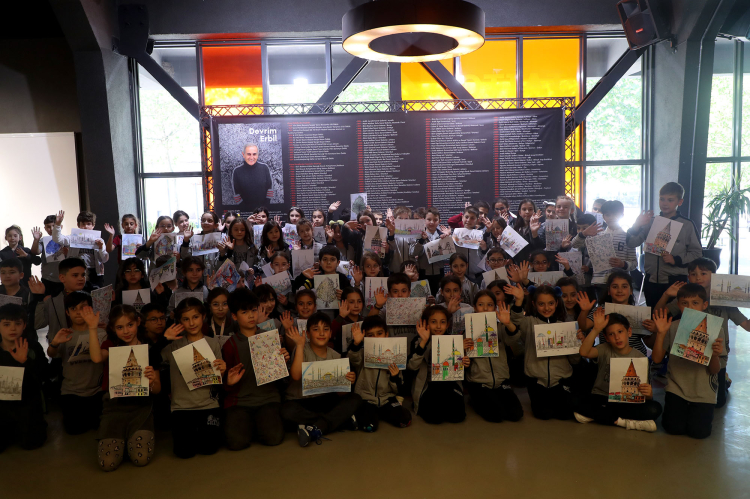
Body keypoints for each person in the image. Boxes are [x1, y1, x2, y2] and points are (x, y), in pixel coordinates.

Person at [654, 257, 750, 408]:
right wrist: (666, 294)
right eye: (693, 274)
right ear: (688, 276)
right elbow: (659, 314)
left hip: (716, 355)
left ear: (714, 276)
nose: (698, 277)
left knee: (718, 403)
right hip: (688, 355)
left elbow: (747, 326)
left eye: (703, 273)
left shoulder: (724, 300)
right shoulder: (687, 297)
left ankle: (724, 381)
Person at [86, 305, 161, 470]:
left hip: (141, 408)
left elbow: (157, 389)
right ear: (113, 329)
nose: (126, 331)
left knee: (141, 459)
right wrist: (92, 328)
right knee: (107, 463)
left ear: (138, 322)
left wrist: (152, 381)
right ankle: (121, 440)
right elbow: (97, 358)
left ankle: (131, 439)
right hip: (114, 408)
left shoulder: (149, 349)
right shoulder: (111, 346)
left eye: (130, 325)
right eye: (120, 327)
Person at [652, 284, 723, 439]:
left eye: (695, 303)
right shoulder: (672, 327)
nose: (690, 308)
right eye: (685, 303)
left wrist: (715, 355)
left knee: (699, 433)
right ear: (679, 305)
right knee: (673, 428)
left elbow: (715, 370)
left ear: (704, 305)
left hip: (703, 391)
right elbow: (656, 359)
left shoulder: (715, 329)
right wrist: (661, 334)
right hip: (677, 388)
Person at [281, 312, 360, 447]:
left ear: (330, 334)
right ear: (308, 334)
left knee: (355, 399)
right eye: (316, 329)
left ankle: (313, 426)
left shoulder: (335, 356)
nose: (322, 333)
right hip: (300, 401)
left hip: (324, 400)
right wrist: (299, 345)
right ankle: (335, 422)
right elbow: (296, 376)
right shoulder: (301, 350)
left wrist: (347, 382)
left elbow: (340, 393)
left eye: (326, 329)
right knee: (286, 411)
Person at [223, 288, 289, 450]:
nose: (251, 316)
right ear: (234, 316)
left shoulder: (268, 337)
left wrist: (283, 361)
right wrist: (228, 382)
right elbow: (224, 384)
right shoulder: (230, 345)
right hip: (240, 401)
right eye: (244, 312)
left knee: (273, 438)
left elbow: (280, 379)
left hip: (268, 399)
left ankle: (257, 424)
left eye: (253, 310)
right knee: (236, 443)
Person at [501, 284, 579, 420]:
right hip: (536, 379)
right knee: (543, 414)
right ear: (534, 304)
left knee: (565, 413)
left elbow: (575, 359)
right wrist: (519, 300)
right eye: (541, 304)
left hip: (560, 378)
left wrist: (577, 344)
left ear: (556, 303)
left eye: (551, 303)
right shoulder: (529, 323)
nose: (546, 308)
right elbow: (516, 320)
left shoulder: (564, 326)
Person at [574, 309, 662, 432]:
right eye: (611, 334)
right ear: (606, 337)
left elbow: (645, 394)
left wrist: (649, 394)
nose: (617, 337)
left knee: (655, 409)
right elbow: (584, 352)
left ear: (629, 332)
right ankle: (627, 422)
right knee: (575, 401)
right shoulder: (604, 349)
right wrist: (596, 329)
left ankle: (600, 417)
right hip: (602, 397)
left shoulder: (640, 357)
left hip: (627, 401)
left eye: (620, 332)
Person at [161, 298, 226, 458]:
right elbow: (151, 359)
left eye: (195, 317)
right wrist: (164, 339)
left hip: (208, 404)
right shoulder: (173, 345)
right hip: (181, 407)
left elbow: (218, 376)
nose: (191, 323)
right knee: (184, 452)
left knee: (209, 448)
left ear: (203, 316)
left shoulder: (213, 343)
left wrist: (223, 369)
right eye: (186, 319)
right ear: (179, 321)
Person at [626, 182, 703, 306]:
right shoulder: (650, 222)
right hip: (651, 280)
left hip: (675, 281)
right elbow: (631, 243)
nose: (665, 203)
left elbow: (697, 253)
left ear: (680, 202)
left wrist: (676, 260)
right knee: (653, 313)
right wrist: (636, 225)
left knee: (673, 314)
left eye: (670, 200)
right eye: (662, 199)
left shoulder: (687, 225)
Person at [47, 291, 107, 435]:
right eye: (73, 308)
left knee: (99, 426)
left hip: (97, 391)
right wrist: (54, 343)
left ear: (90, 309)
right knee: (74, 430)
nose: (78, 312)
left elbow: (104, 358)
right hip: (71, 391)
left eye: (83, 308)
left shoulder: (100, 333)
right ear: (67, 312)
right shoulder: (65, 334)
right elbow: (51, 354)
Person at [465, 291, 523, 423]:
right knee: (496, 415)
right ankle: (474, 399)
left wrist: (508, 323)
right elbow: (461, 358)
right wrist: (463, 348)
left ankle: (494, 397)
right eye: (481, 304)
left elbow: (514, 339)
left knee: (516, 414)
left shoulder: (500, 327)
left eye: (490, 305)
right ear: (474, 307)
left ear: (494, 307)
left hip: (501, 379)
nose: (485, 308)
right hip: (479, 380)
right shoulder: (468, 329)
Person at [347, 317, 412, 432]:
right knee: (369, 426)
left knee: (405, 420)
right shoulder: (362, 353)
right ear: (364, 337)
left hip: (387, 398)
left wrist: (394, 377)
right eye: (370, 335)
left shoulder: (395, 356)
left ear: (386, 334)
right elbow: (353, 358)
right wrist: (356, 343)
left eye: (379, 333)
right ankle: (368, 415)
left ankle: (380, 413)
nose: (376, 338)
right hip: (366, 398)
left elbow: (398, 388)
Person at [408, 305, 469, 424]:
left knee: (458, 417)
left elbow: (459, 369)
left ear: (447, 324)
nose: (438, 326)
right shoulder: (418, 341)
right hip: (428, 385)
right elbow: (412, 366)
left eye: (442, 322)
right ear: (426, 324)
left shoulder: (454, 340)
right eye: (433, 322)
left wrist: (464, 363)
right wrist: (423, 342)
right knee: (434, 418)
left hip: (450, 383)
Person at [0, 303, 48, 453]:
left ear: (24, 325)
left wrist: (24, 362)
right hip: (2, 405)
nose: (13, 329)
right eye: (6, 324)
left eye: (17, 324)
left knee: (31, 443)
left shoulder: (33, 347)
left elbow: (44, 374)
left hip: (27, 403)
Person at [572, 200, 637, 297]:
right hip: (600, 281)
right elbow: (574, 244)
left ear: (622, 215)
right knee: (602, 305)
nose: (612, 217)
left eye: (616, 214)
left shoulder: (628, 237)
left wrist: (623, 264)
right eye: (608, 215)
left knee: (619, 305)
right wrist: (583, 233)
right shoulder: (597, 235)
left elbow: (634, 263)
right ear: (603, 217)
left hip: (620, 281)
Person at [51, 210, 109, 288]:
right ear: (78, 225)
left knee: (95, 293)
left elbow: (104, 259)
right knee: (78, 292)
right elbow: (57, 239)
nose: (86, 227)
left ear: (93, 225)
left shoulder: (99, 240)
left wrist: (101, 248)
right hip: (77, 271)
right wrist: (58, 224)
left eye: (88, 224)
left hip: (95, 272)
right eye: (83, 224)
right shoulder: (73, 237)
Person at [411, 207, 451, 294]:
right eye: (429, 219)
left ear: (439, 221)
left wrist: (447, 238)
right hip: (423, 272)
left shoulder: (443, 235)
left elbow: (450, 253)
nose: (432, 222)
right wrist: (421, 240)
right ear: (424, 220)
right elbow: (413, 253)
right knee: (424, 297)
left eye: (435, 220)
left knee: (438, 296)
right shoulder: (418, 235)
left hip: (439, 272)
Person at [29, 215, 67, 297]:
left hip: (64, 278)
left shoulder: (66, 239)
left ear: (60, 227)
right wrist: (36, 240)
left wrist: (67, 252)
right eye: (48, 227)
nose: (52, 229)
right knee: (48, 301)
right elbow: (35, 252)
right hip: (48, 277)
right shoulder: (43, 240)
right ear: (45, 228)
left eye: (54, 226)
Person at [232, 143, 273, 211]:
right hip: (245, 212)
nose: (251, 157)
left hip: (263, 211)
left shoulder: (264, 168)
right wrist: (245, 210)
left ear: (257, 155)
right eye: (249, 154)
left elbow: (270, 189)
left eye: (254, 154)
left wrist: (264, 208)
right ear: (243, 154)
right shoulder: (237, 171)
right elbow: (236, 194)